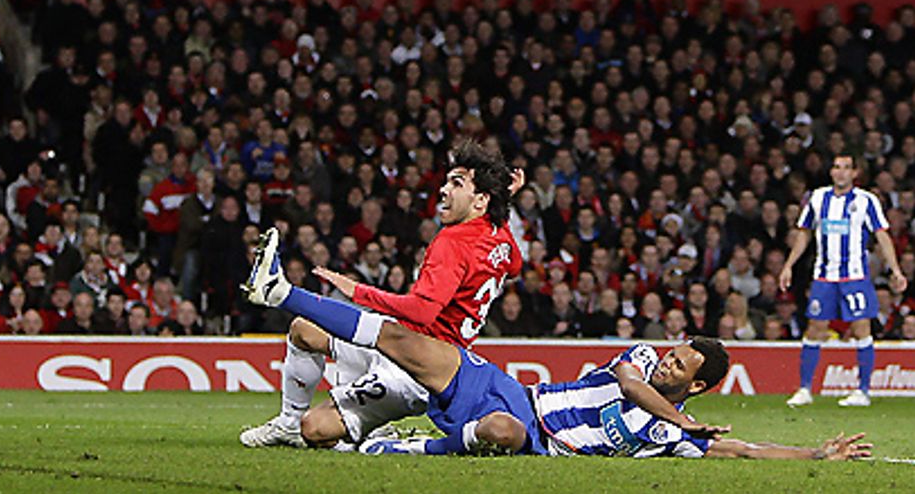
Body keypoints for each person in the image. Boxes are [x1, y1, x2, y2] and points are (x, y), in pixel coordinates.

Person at [243, 230, 872, 461]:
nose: (670, 356)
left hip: (532, 436)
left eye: (683, 362)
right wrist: (680, 417)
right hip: (517, 391)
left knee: (503, 437)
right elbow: (631, 385)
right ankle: (282, 292)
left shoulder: (679, 440)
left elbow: (741, 449)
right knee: (409, 341)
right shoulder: (645, 365)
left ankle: (406, 446)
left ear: (700, 383)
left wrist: (815, 455)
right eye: (677, 348)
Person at [240, 140, 523, 449]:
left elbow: (421, 312)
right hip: (411, 346)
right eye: (446, 181)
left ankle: (370, 437)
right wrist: (502, 199)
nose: (443, 190)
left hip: (413, 370)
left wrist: (360, 292)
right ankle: (287, 424)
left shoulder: (452, 242)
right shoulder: (500, 237)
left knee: (316, 428)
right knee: (303, 331)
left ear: (480, 201)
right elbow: (515, 266)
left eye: (456, 183)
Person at [782, 152, 908, 408]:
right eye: (836, 167)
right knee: (815, 329)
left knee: (862, 329)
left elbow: (882, 236)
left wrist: (895, 269)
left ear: (854, 173)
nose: (840, 172)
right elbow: (804, 233)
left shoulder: (866, 201)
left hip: (855, 277)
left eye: (846, 168)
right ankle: (805, 389)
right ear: (831, 172)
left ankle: (863, 391)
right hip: (824, 276)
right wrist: (788, 266)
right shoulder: (818, 198)